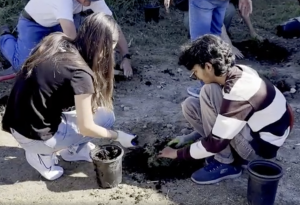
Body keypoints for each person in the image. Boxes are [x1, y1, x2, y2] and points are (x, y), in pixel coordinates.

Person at [1, 13, 136, 181]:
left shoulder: (57, 41)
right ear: (103, 46)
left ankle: (74, 150)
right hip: (34, 136)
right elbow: (86, 127)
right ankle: (41, 156)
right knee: (106, 119)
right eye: (113, 46)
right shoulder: (80, 74)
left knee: (101, 114)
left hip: (17, 121)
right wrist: (117, 136)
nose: (113, 53)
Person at [158, 34, 294, 185]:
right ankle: (227, 155)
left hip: (259, 151)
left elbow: (217, 142)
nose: (195, 77)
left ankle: (225, 163)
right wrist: (189, 138)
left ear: (208, 67)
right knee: (191, 104)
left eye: (195, 72)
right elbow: (223, 120)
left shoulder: (239, 90)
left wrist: (177, 154)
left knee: (207, 92)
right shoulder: (238, 71)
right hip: (249, 132)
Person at [0, 0, 133, 82]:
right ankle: (4, 36)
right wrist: (88, 66)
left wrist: (126, 57)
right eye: (86, 0)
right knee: (23, 66)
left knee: (58, 58)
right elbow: (72, 38)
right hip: (34, 22)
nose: (88, 4)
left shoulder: (94, 0)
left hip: (59, 22)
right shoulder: (63, 1)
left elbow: (113, 26)